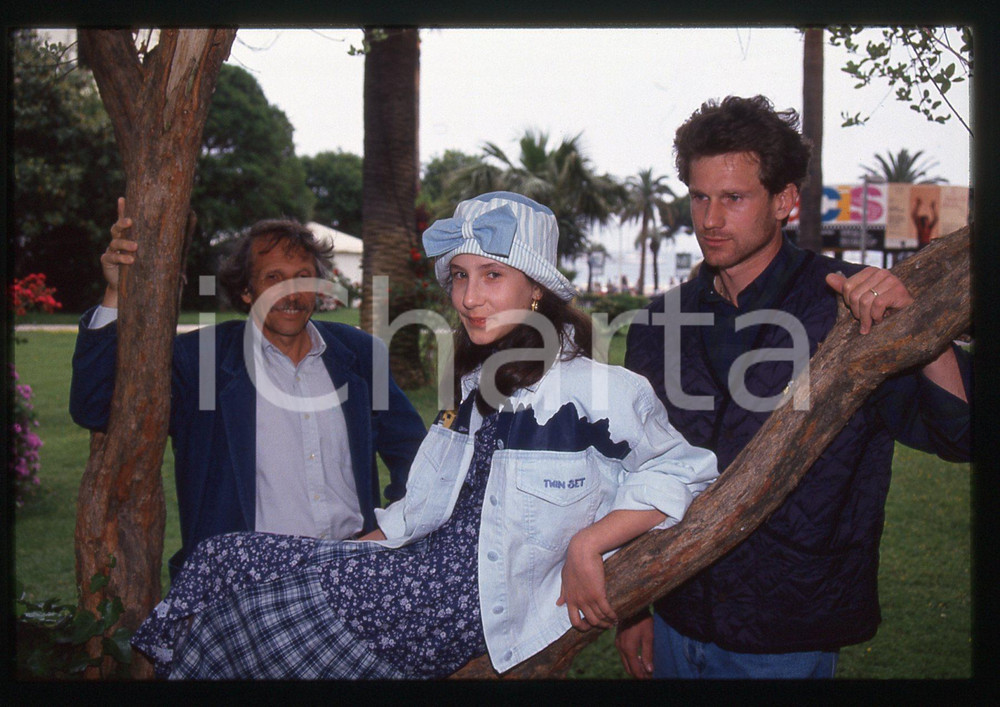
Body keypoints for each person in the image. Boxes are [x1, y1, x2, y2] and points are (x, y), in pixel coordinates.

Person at [128, 191, 719, 679]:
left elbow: (686, 470)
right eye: (460, 277)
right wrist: (359, 548)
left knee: (243, 621)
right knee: (216, 561)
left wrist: (588, 543)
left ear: (536, 288)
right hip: (415, 573)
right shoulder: (479, 386)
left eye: (492, 275)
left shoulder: (599, 390)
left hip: (456, 606)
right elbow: (429, 501)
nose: (468, 297)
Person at [617, 95, 971, 679]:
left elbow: (960, 434)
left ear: (784, 201)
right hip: (676, 615)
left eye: (733, 198)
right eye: (700, 196)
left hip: (788, 631)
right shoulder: (659, 323)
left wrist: (919, 329)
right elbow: (638, 470)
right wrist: (634, 605)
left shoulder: (850, 302)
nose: (709, 219)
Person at [70, 198, 426, 579]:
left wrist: (391, 532)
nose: (290, 293)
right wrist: (115, 295)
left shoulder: (357, 354)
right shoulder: (202, 362)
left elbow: (419, 457)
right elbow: (96, 407)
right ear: (245, 291)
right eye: (273, 277)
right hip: (245, 585)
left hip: (351, 573)